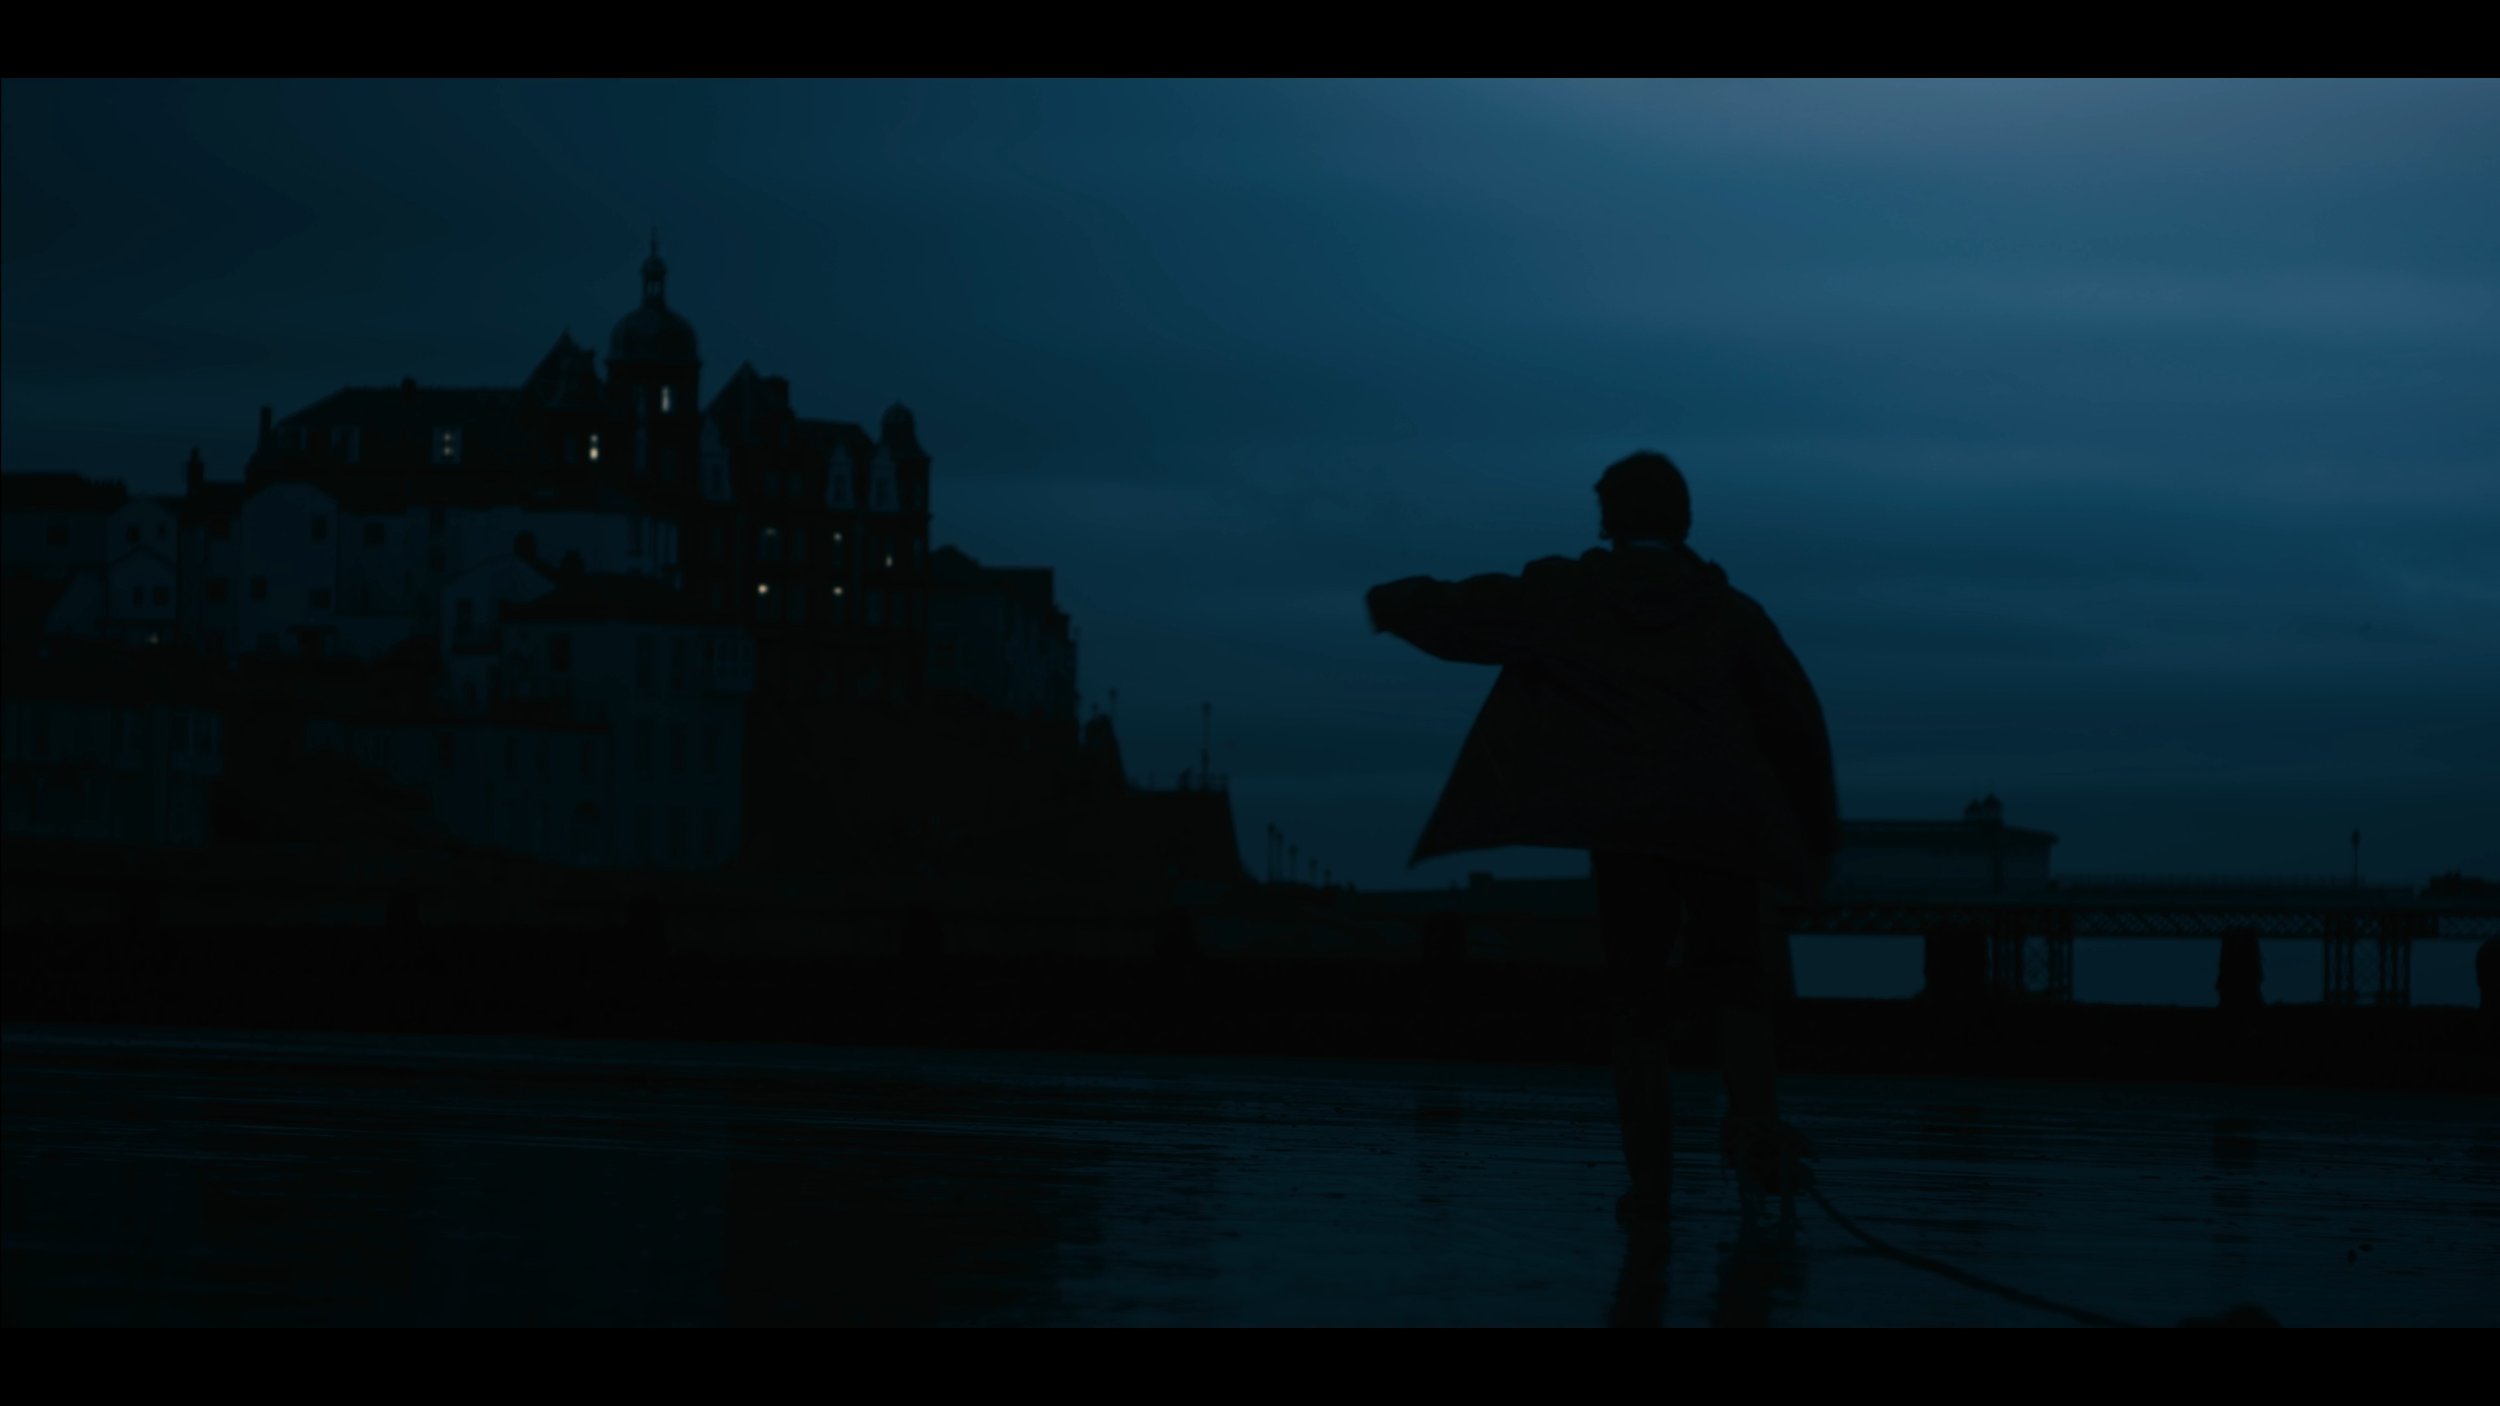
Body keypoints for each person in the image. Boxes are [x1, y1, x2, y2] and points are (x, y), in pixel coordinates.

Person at [1366, 450, 1839, 1227]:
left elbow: (1472, 612)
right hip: (1723, 828)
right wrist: (1814, 841)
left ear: (1607, 520)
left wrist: (1394, 602)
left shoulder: (1572, 598)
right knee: (1737, 987)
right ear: (1685, 520)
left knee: (1637, 1005)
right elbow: (1795, 725)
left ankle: (1650, 1189)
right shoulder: (1733, 615)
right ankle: (1757, 1138)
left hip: (1627, 826)